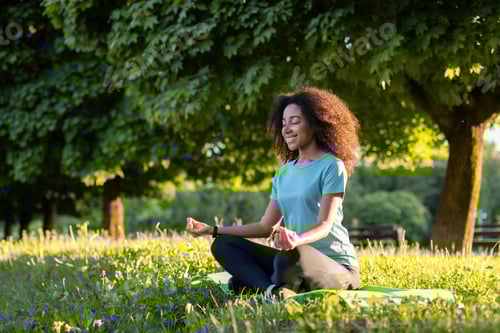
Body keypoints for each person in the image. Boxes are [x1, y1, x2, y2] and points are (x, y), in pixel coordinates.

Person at [186, 86, 362, 300]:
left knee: (284, 260)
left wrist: (296, 239)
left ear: (315, 124)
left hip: (336, 265)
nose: (286, 129)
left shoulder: (331, 166)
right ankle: (272, 291)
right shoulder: (284, 173)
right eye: (284, 123)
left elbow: (325, 225)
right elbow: (265, 227)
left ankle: (262, 283)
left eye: (295, 121)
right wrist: (212, 230)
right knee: (224, 244)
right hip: (295, 256)